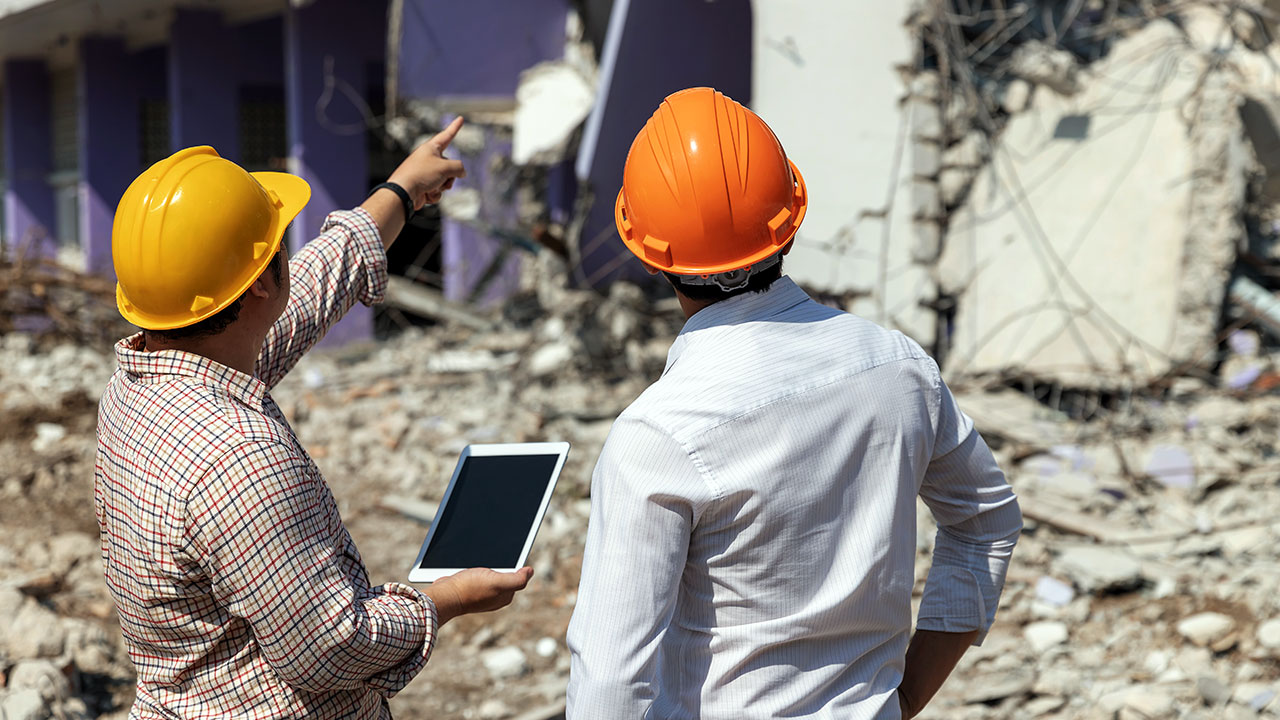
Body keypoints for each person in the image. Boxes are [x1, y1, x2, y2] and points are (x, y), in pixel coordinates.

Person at [566, 87, 1022, 719]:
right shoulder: (897, 367)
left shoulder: (659, 433)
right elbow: (985, 521)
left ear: (646, 252)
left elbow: (611, 687)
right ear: (790, 217)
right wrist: (908, 695)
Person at [95, 118, 533, 719]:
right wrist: (445, 600)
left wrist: (401, 191)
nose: (288, 256)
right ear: (254, 290)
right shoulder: (239, 456)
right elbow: (330, 646)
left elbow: (306, 294)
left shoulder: (141, 381)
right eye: (278, 248)